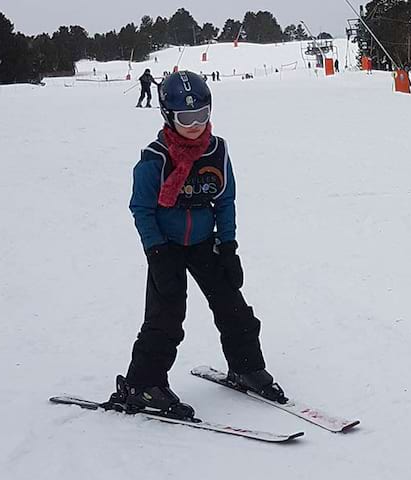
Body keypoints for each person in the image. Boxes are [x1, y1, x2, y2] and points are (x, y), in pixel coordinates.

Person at [108, 71, 285, 419]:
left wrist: (229, 245)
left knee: (234, 307)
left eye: (202, 115)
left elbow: (225, 200)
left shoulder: (216, 151)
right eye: (186, 118)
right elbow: (141, 209)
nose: (195, 124)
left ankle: (245, 366)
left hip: (205, 242)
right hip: (166, 246)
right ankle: (143, 384)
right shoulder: (154, 159)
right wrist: (156, 252)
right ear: (168, 116)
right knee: (166, 318)